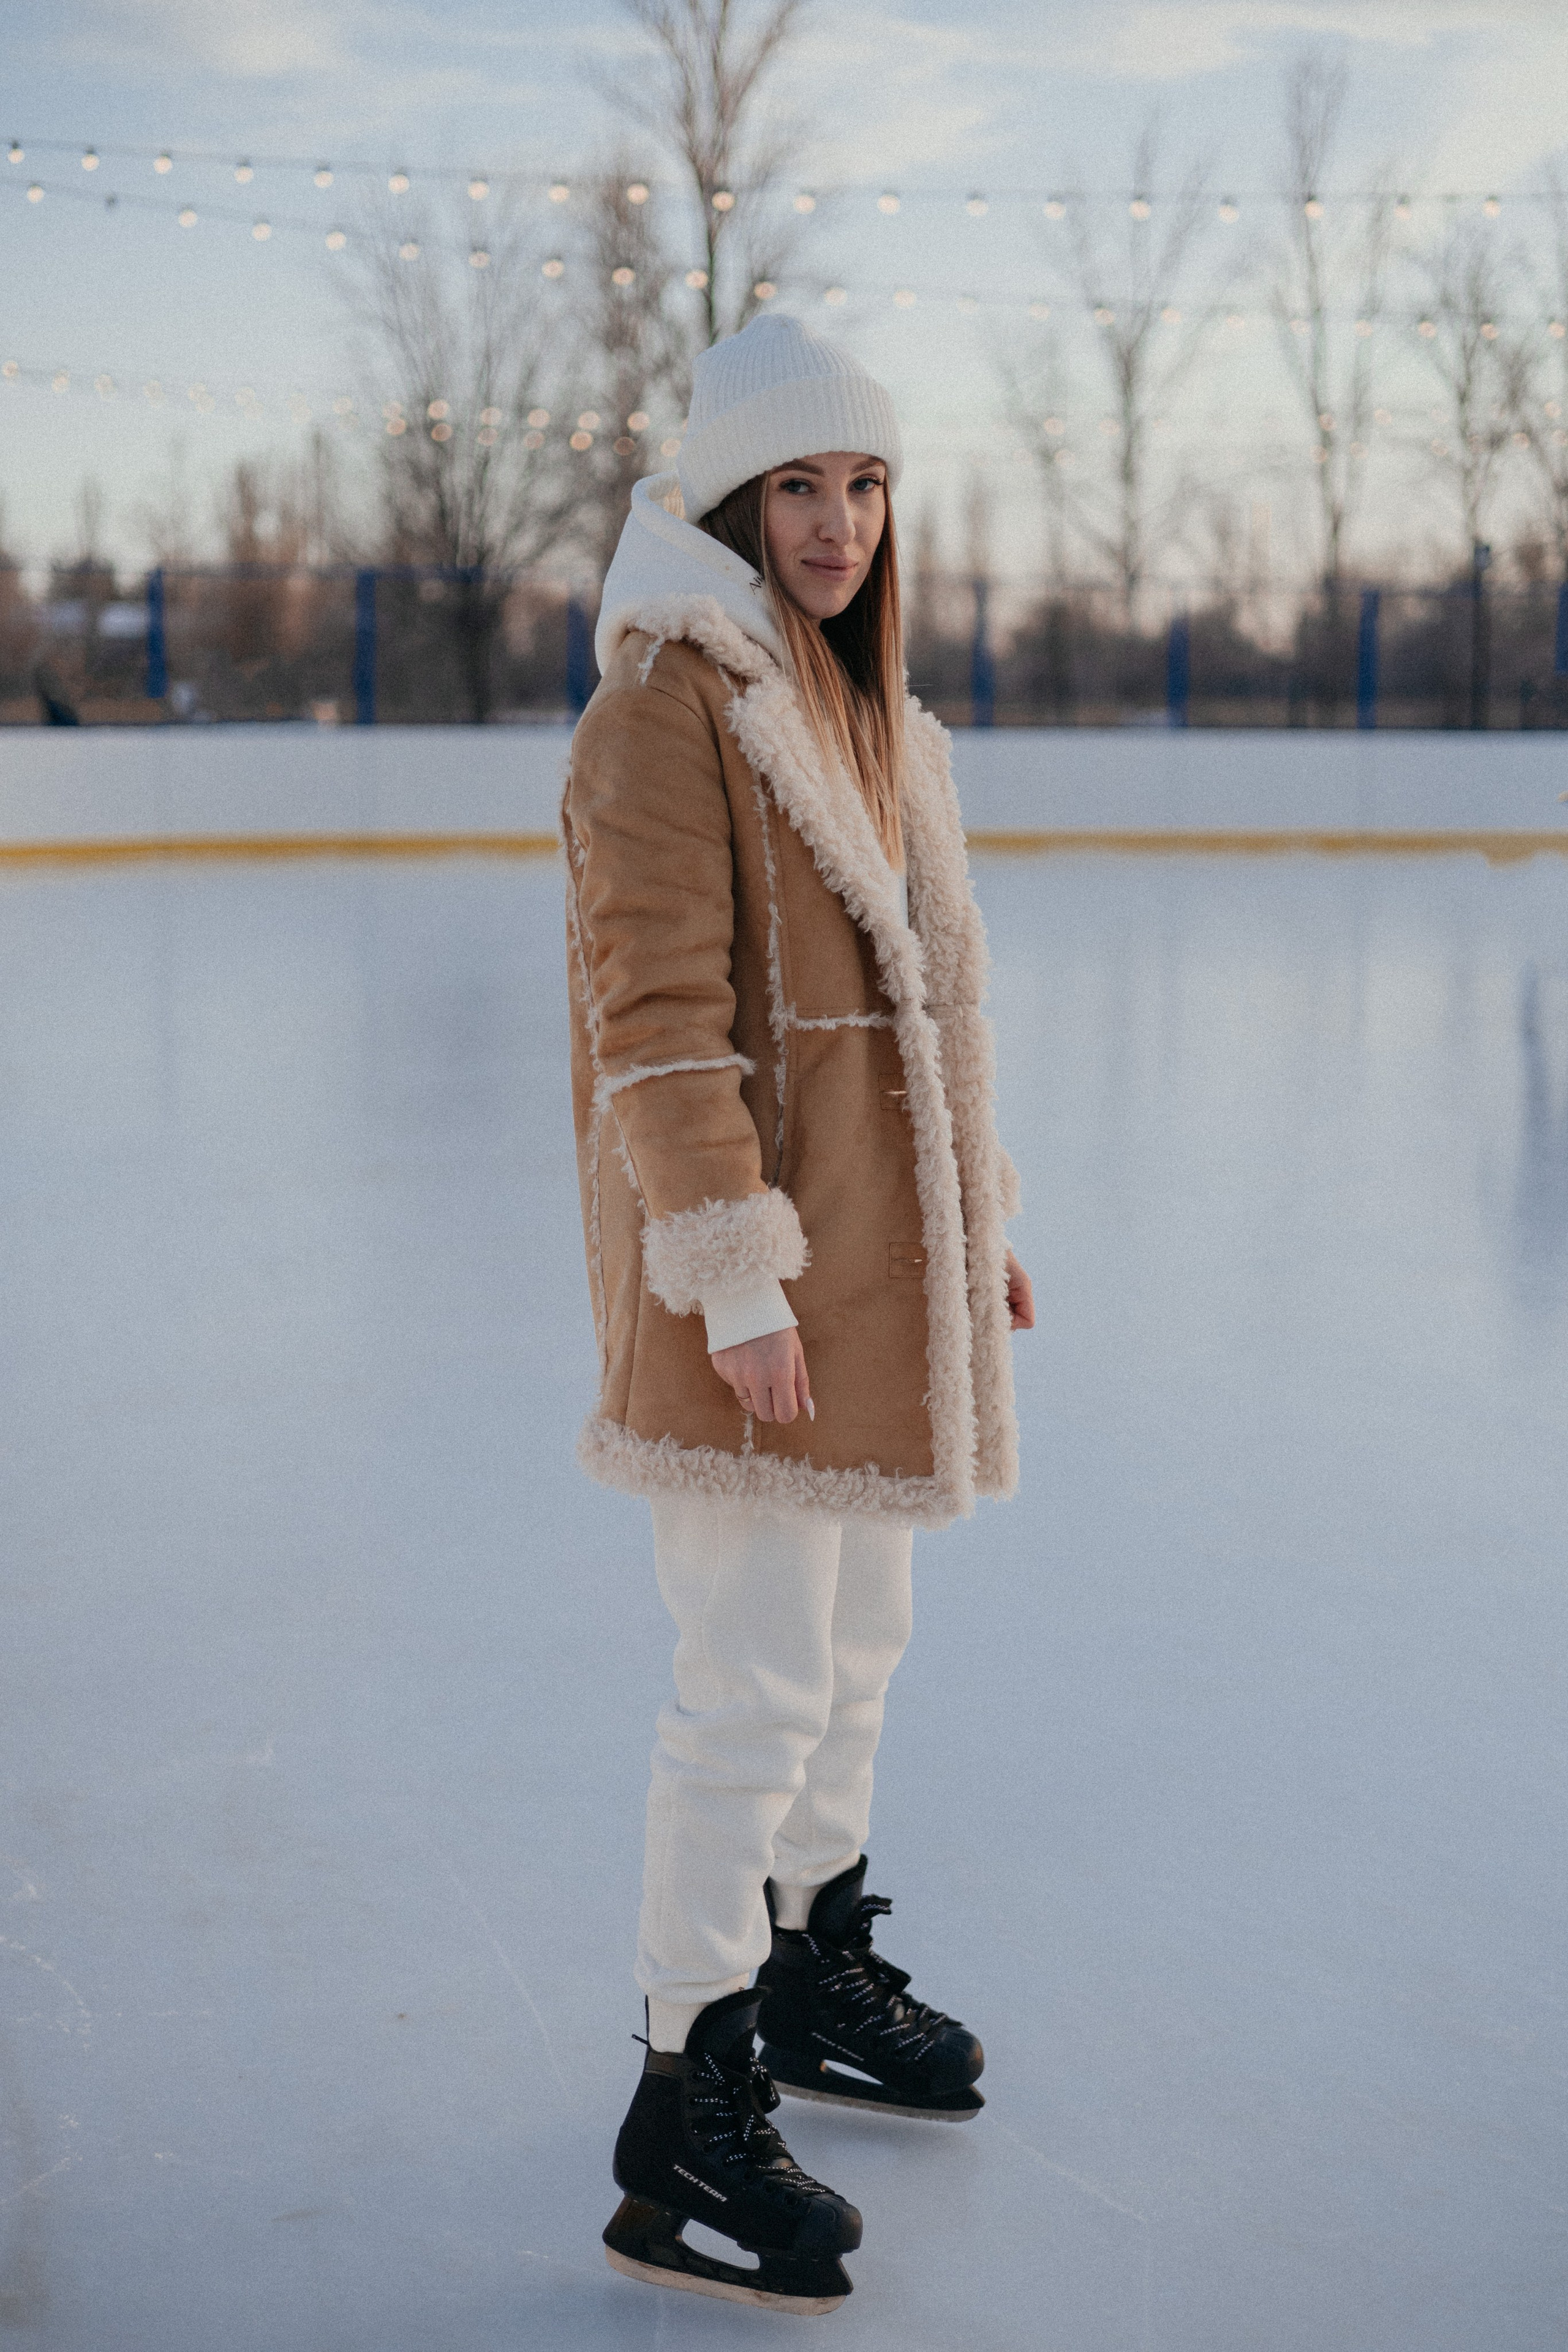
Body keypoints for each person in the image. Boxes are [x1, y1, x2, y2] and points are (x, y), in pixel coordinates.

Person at [562, 312, 1033, 2317]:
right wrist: (736, 1278)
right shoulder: (668, 709)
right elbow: (655, 1026)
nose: (837, 523)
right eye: (800, 486)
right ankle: (687, 2092)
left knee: (855, 1658)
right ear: (733, 496)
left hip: (871, 1269)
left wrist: (975, 1216)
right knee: (747, 1684)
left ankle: (811, 1953)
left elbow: (937, 1013)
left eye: (865, 487)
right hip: (748, 1290)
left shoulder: (872, 715)